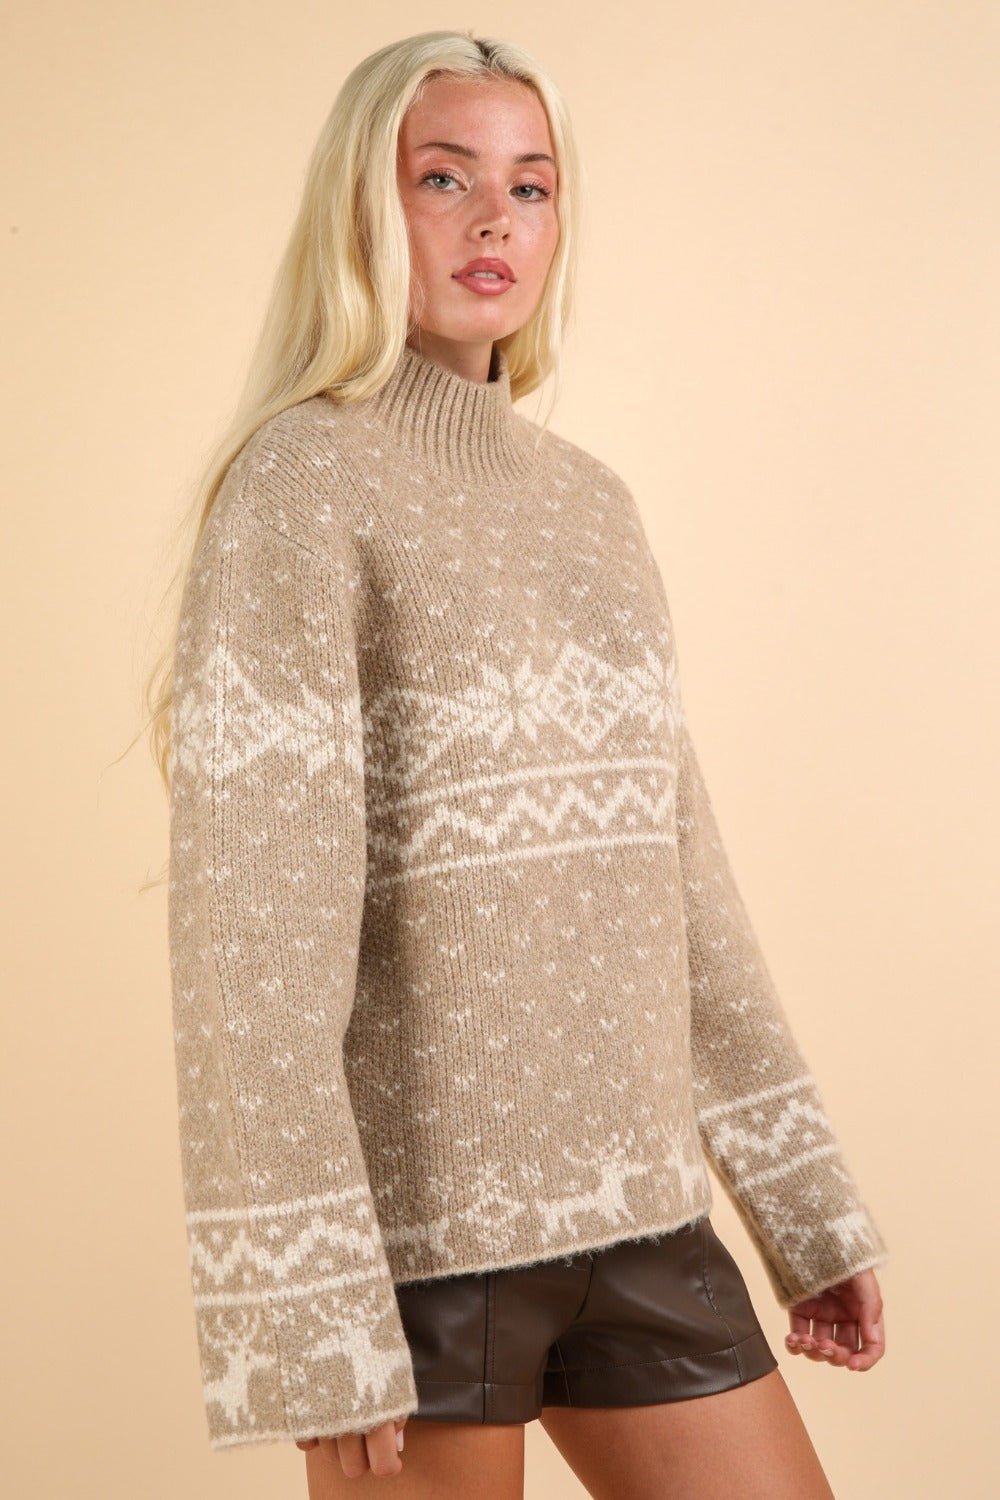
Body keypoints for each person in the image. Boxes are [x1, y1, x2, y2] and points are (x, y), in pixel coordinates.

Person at [150, 29, 886, 1499]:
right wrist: (308, 1310)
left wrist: (804, 1206)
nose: (494, 220)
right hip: (417, 1257)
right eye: (445, 178)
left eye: (531, 186)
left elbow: (680, 879)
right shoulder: (298, 485)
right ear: (365, 206)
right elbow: (253, 946)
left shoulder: (594, 507)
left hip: (644, 1224)